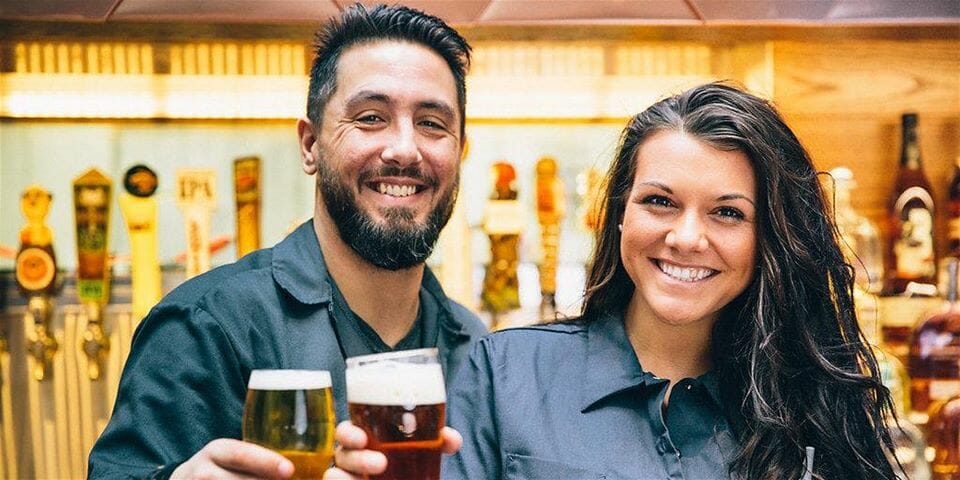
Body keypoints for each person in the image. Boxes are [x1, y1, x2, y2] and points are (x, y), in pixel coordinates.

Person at [327, 82, 899, 479]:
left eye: (727, 212)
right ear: (620, 215)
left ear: (768, 235)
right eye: (659, 202)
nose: (686, 237)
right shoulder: (503, 373)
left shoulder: (817, 401)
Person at [87, 4, 486, 479]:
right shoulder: (207, 327)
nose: (404, 148)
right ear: (310, 145)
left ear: (459, 152)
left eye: (432, 124)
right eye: (370, 117)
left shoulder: (475, 347)